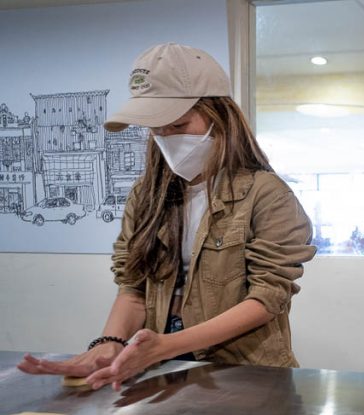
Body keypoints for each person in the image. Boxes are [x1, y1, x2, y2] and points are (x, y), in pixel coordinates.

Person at [18, 43, 315, 389]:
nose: (164, 138)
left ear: (219, 116)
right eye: (156, 129)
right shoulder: (146, 196)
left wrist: (164, 347)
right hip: (164, 368)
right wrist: (109, 344)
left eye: (176, 125)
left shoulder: (266, 194)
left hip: (244, 372)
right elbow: (133, 288)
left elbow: (267, 298)